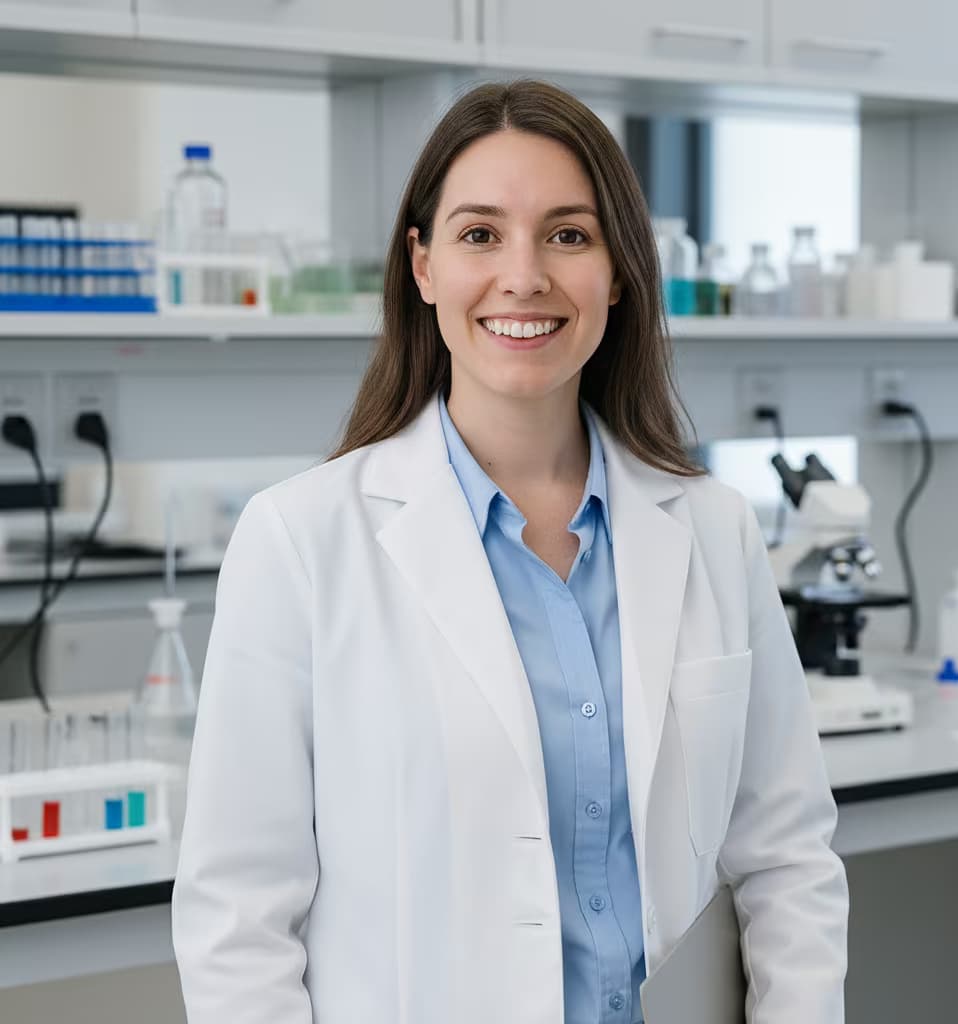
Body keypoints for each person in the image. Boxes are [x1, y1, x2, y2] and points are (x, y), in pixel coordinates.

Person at [172, 79, 848, 1024]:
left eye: (568, 235)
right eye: (480, 234)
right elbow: (238, 917)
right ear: (423, 266)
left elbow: (788, 857)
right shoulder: (301, 539)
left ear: (618, 270)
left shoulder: (712, 529)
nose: (523, 275)